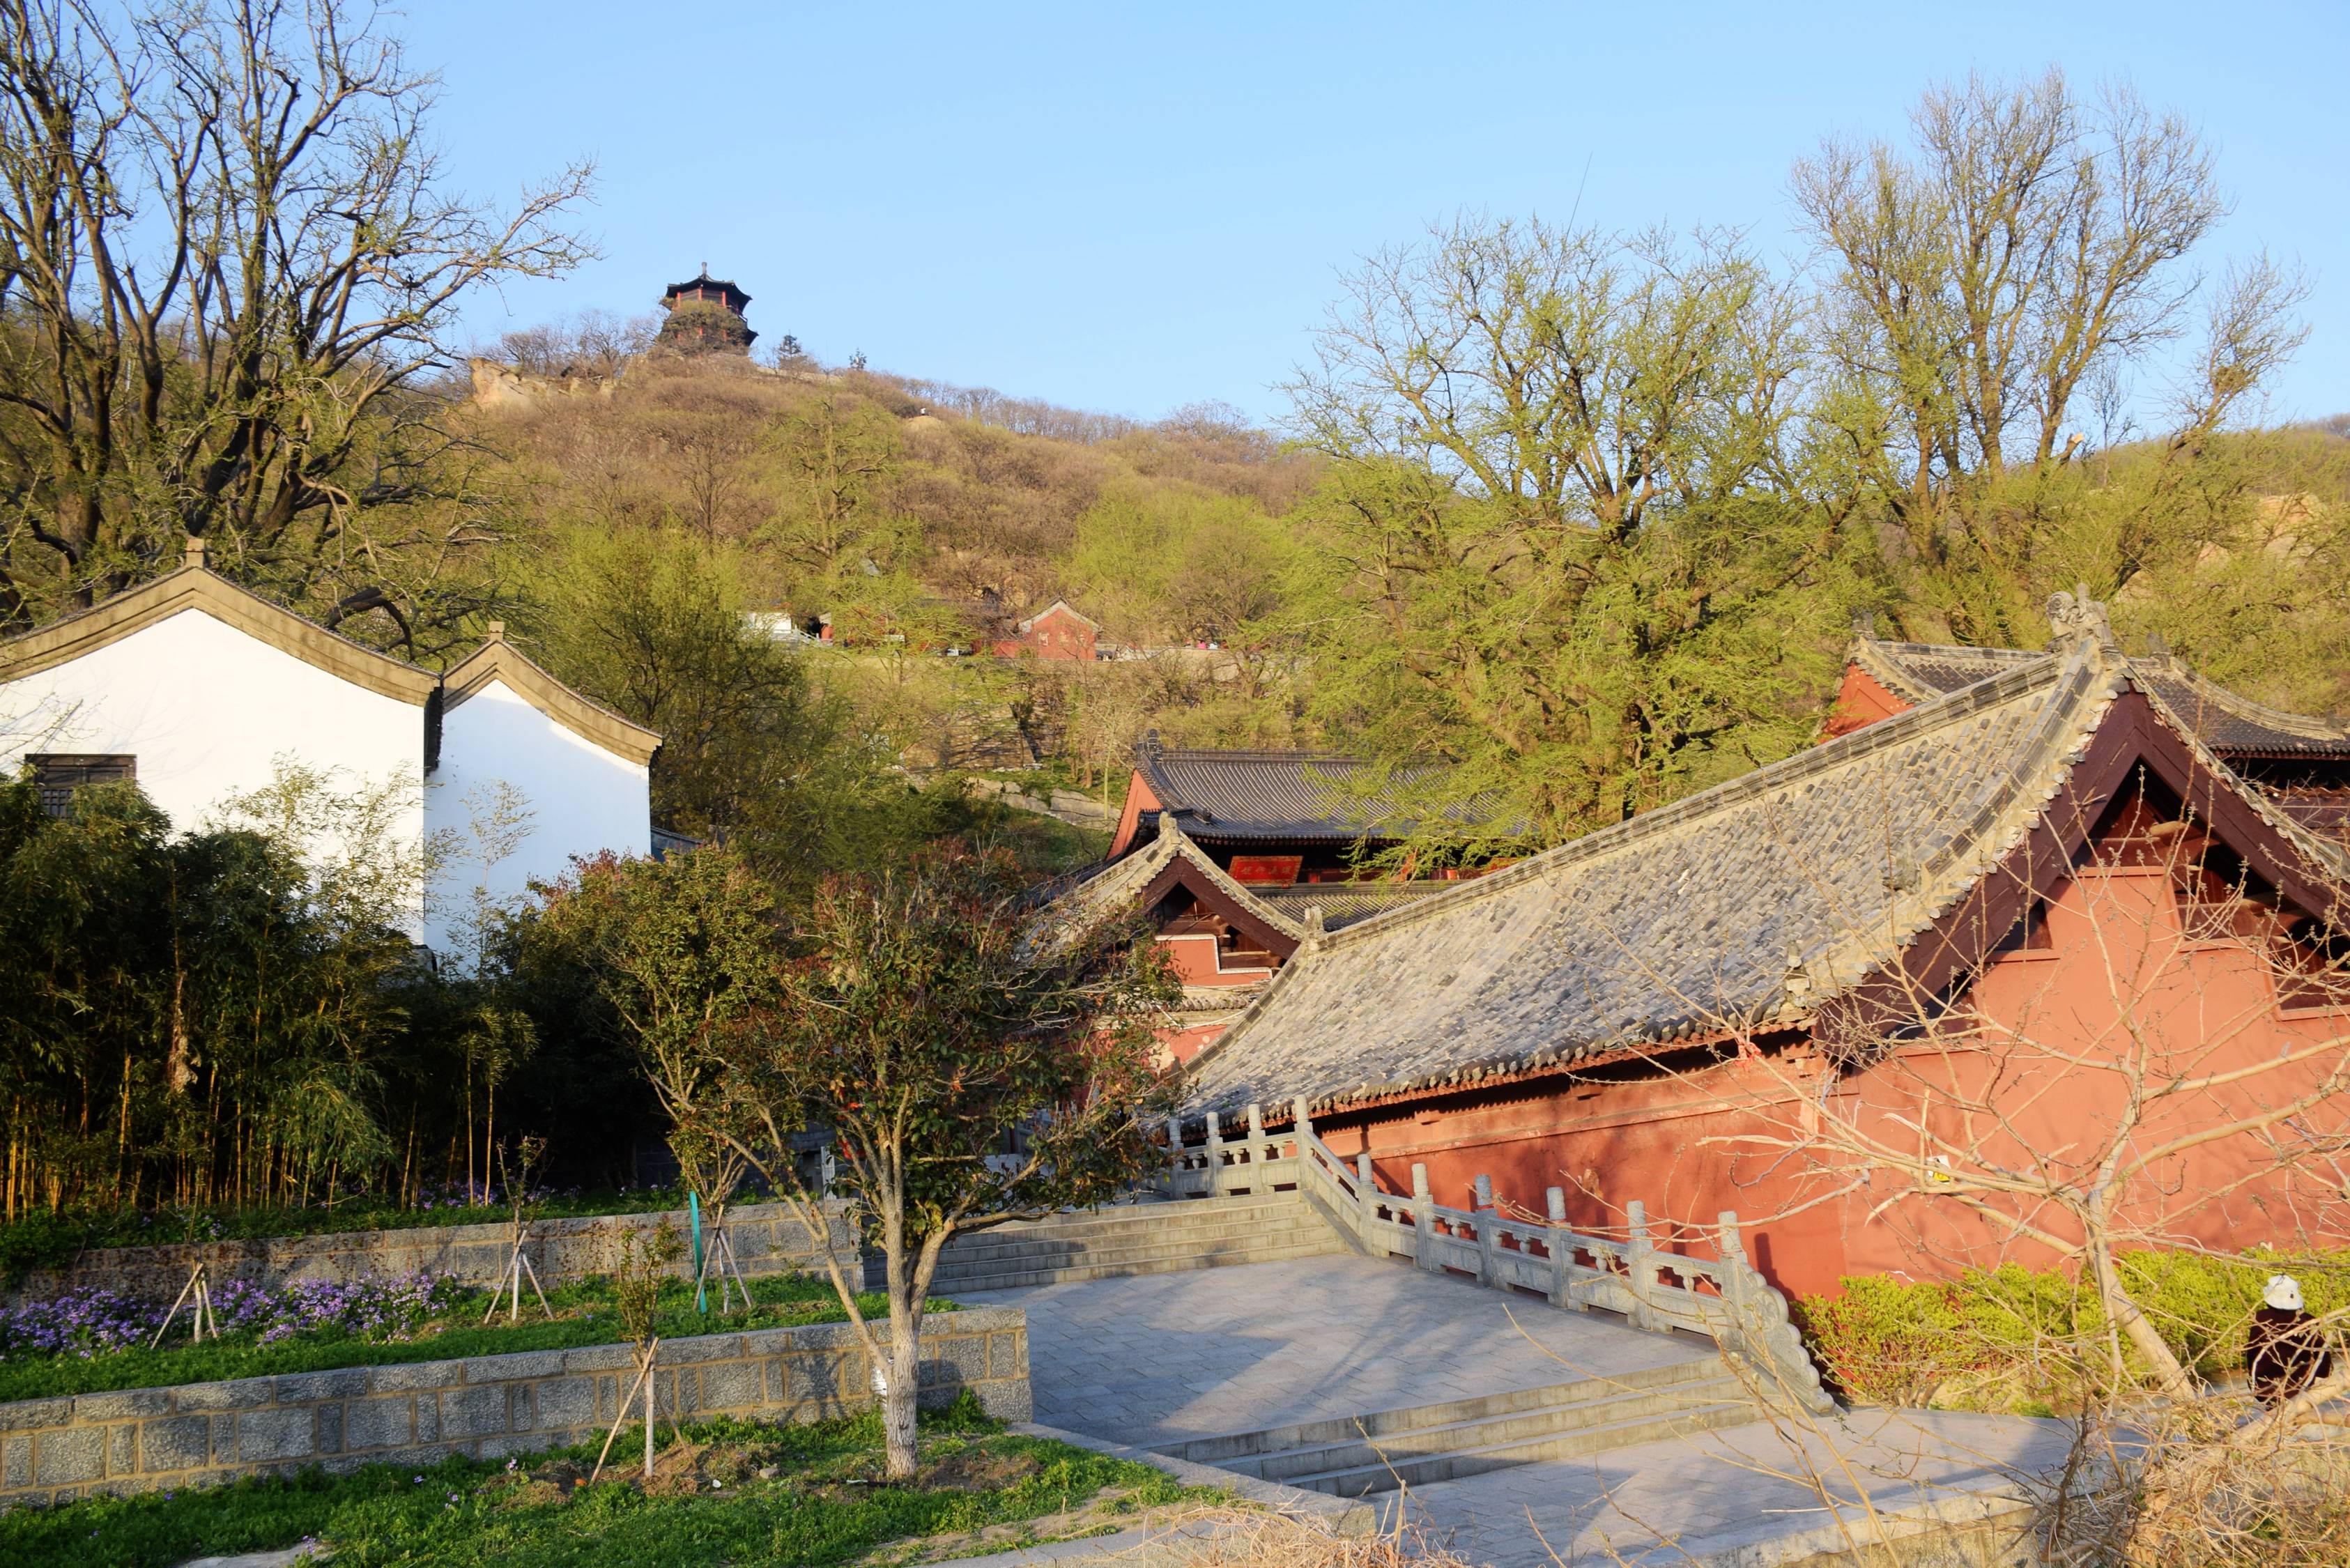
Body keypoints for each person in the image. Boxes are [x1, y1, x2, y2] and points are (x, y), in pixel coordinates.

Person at [2248, 1274, 2332, 1408]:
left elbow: (2252, 1355)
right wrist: (2322, 1381)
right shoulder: (2309, 1321)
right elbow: (2324, 1360)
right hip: (2303, 1388)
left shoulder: (2260, 1319)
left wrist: (2255, 1384)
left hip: (2266, 1390)